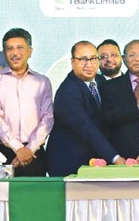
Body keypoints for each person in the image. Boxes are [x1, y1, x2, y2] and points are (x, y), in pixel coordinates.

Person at [47, 41, 125, 176]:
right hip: (69, 165)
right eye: (83, 59)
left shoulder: (100, 81)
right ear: (72, 62)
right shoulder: (68, 92)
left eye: (93, 58)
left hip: (93, 162)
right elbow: (88, 129)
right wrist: (115, 158)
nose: (89, 64)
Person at [0, 28, 53, 176]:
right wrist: (18, 148)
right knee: (1, 192)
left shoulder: (42, 82)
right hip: (1, 152)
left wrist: (29, 149)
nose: (15, 53)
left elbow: (48, 118)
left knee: (35, 191)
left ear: (30, 51)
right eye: (10, 48)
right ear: (4, 53)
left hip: (34, 153)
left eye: (20, 48)